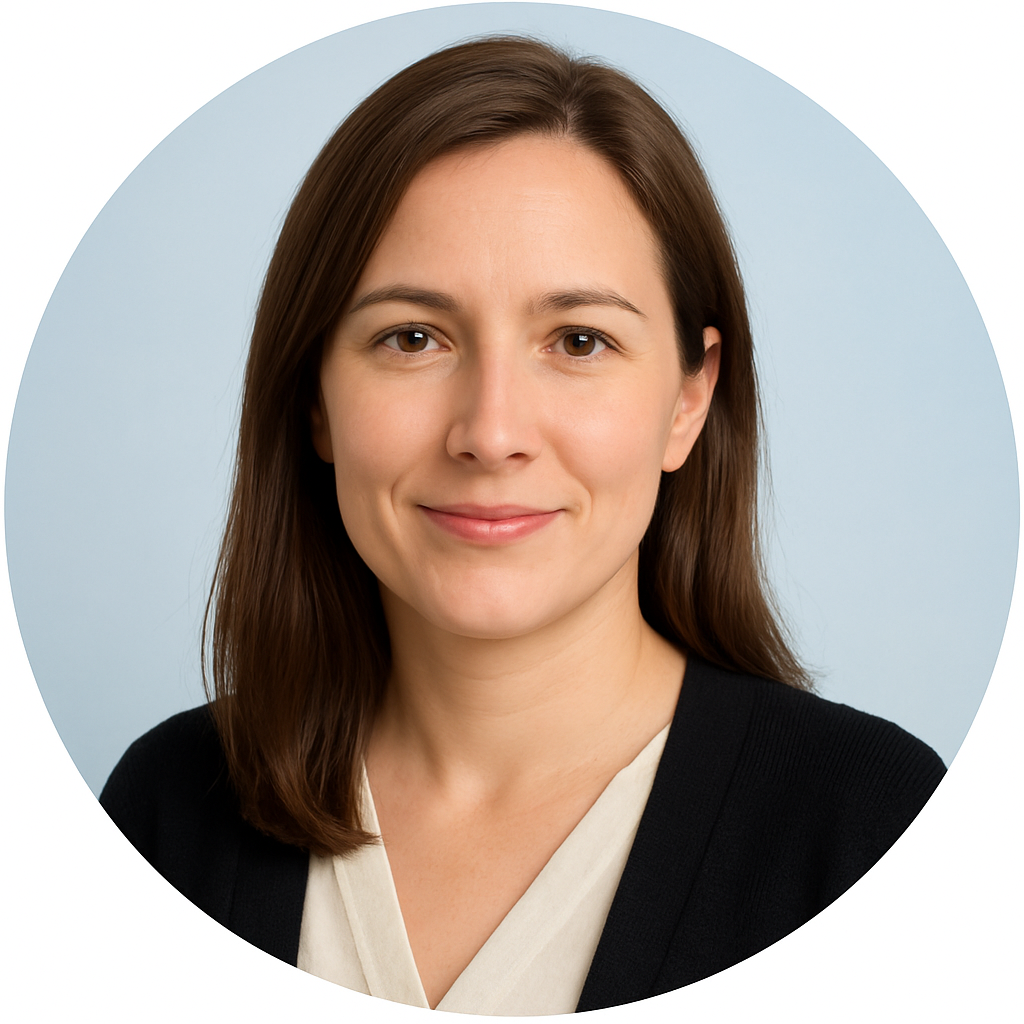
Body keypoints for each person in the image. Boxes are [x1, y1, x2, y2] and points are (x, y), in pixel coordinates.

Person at [100, 36, 945, 1014]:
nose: (491, 433)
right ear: (315, 399)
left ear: (689, 398)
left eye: (579, 340)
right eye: (412, 338)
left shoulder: (875, 830)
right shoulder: (168, 810)